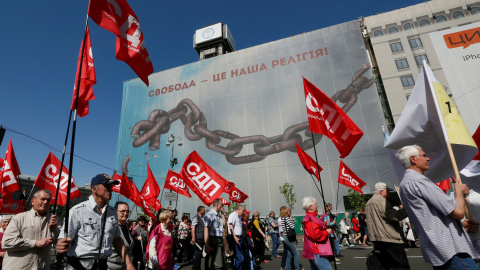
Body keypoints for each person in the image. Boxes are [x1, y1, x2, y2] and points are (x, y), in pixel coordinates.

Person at [396, 145, 480, 269]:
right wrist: (459, 192)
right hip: (451, 249)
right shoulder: (418, 181)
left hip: (441, 247)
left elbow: (429, 217)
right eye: (424, 155)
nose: (428, 158)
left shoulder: (407, 182)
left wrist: (459, 225)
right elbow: (458, 212)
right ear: (413, 159)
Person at [56, 174, 135, 270]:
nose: (110, 189)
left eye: (111, 186)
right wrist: (62, 244)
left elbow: (117, 240)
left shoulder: (112, 212)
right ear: (94, 189)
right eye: (107, 186)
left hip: (102, 265)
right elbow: (64, 239)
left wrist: (129, 263)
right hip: (79, 265)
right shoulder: (77, 210)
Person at [1, 189, 58, 270]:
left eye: (48, 200)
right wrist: (35, 243)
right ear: (33, 201)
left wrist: (55, 229)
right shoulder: (19, 218)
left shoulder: (54, 219)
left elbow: (59, 243)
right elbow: (7, 243)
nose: (45, 202)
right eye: (42, 199)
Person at [365, 182, 409, 269]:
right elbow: (394, 216)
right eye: (387, 190)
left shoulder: (369, 202)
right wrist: (406, 210)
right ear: (381, 191)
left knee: (386, 264)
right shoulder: (382, 201)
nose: (389, 192)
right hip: (389, 237)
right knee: (400, 264)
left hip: (377, 238)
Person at [302, 196, 333, 270]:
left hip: (314, 250)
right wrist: (326, 232)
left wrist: (324, 225)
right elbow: (315, 235)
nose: (317, 205)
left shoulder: (311, 217)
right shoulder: (310, 218)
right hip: (316, 250)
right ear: (311, 207)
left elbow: (315, 229)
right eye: (315, 204)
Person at [107, 201, 135, 270]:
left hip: (126, 267)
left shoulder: (127, 227)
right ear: (115, 212)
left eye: (127, 211)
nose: (125, 214)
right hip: (112, 267)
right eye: (122, 211)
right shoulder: (111, 227)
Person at [204, 198, 226, 270]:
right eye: (221, 205)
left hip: (219, 239)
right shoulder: (210, 215)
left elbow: (224, 224)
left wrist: (222, 214)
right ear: (217, 205)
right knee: (218, 265)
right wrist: (207, 245)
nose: (223, 206)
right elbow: (206, 229)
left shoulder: (218, 215)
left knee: (221, 262)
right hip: (214, 239)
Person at [280, 206, 301, 270]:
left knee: (289, 254)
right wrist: (291, 220)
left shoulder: (283, 218)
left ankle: (288, 268)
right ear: (287, 212)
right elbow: (292, 227)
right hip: (288, 238)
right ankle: (297, 268)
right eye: (289, 211)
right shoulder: (286, 218)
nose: (290, 212)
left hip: (286, 237)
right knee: (296, 253)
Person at [191, 206, 210, 270]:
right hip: (198, 238)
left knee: (201, 254)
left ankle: (198, 268)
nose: (204, 211)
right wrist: (193, 237)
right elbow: (193, 228)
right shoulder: (196, 218)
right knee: (198, 254)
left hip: (202, 238)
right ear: (200, 211)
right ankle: (195, 267)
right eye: (203, 210)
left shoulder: (202, 218)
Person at [227, 204, 245, 270]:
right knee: (240, 258)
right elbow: (230, 225)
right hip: (235, 238)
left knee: (238, 257)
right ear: (239, 209)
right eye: (243, 210)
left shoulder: (238, 217)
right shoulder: (233, 215)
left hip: (238, 237)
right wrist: (234, 237)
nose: (244, 212)